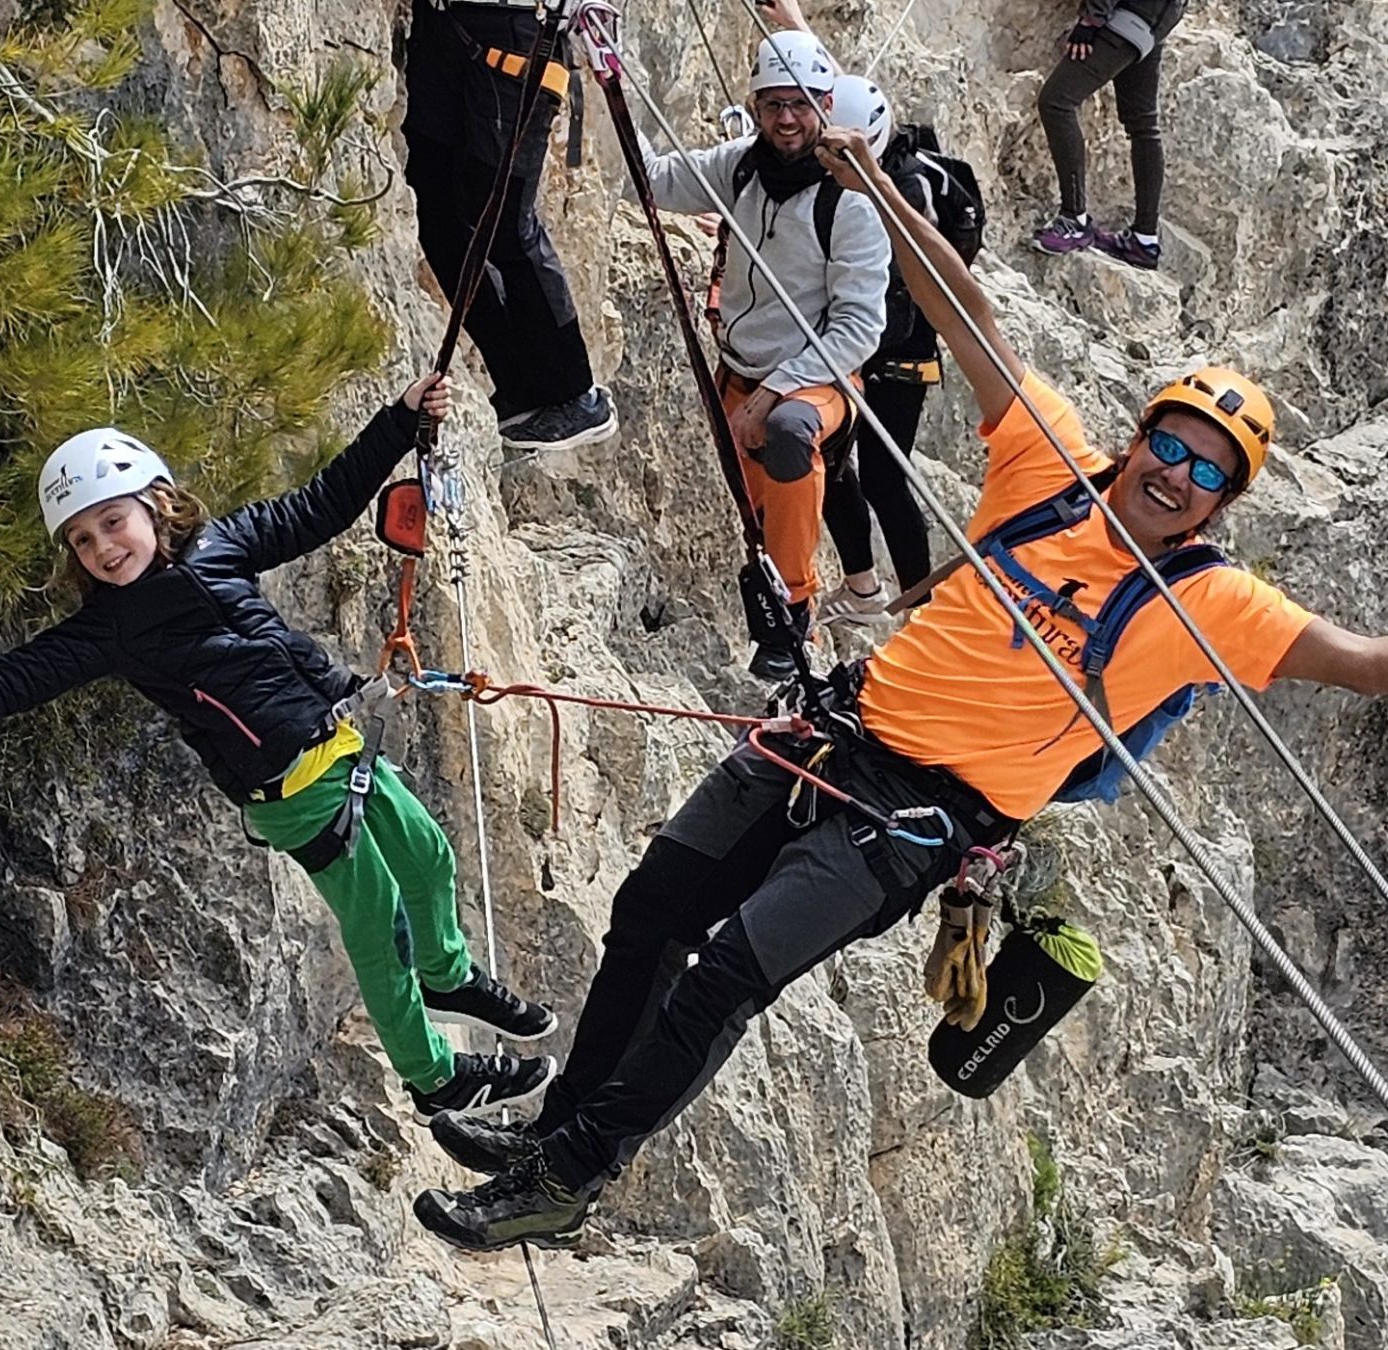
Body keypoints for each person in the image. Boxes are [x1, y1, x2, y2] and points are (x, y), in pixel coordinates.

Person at [409, 123, 1388, 1252]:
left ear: (1222, 508)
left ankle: (571, 1175)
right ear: (1139, 439)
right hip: (828, 737)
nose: (1179, 473)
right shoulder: (1049, 471)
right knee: (648, 914)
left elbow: (1362, 664)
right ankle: (558, 1127)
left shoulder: (1215, 605)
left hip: (910, 824)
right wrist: (872, 188)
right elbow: (970, 316)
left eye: (1211, 471)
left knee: (724, 973)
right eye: (1173, 444)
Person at [0, 375, 560, 1126]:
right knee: (380, 922)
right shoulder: (109, 631)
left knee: (428, 860)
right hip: (293, 791)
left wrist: (399, 420)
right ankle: (433, 1078)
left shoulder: (223, 546)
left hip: (341, 742)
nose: (101, 547)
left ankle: (449, 977)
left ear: (156, 505)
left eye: (112, 522)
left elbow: (323, 504)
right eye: (84, 541)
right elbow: (0, 684)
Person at [639, 31, 891, 677]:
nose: (787, 118)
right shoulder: (741, 167)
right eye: (774, 103)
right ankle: (777, 608)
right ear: (754, 106)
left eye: (801, 104)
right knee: (758, 512)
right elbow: (657, 180)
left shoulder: (852, 200)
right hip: (742, 370)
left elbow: (860, 327)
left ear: (825, 104)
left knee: (786, 437)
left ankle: (795, 615)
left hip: (817, 382)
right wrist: (605, 86)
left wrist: (780, 388)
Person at [402, 0, 618, 453]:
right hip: (448, 24)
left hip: (520, 33)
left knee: (502, 219)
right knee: (435, 207)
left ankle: (572, 390)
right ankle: (518, 380)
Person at [818, 75, 987, 622]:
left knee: (880, 479)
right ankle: (873, 589)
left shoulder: (901, 189)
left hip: (895, 353)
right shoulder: (885, 166)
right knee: (834, 461)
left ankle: (918, 604)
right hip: (884, 350)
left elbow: (900, 280)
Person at [1030, 0, 1188, 270]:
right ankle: (1144, 239)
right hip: (1159, 18)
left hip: (1128, 15)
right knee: (1143, 126)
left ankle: (1073, 219)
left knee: (1057, 103)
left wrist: (1091, 20)